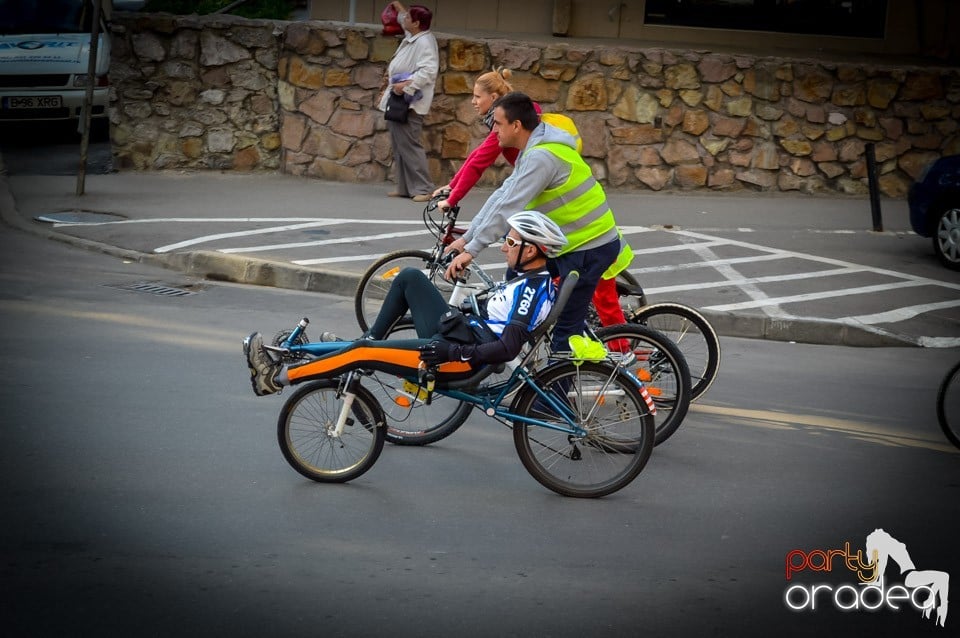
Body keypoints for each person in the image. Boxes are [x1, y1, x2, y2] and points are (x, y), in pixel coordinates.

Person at [243, 212, 567, 397]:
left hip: (457, 358)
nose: (503, 248)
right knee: (410, 277)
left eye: (511, 242)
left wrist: (452, 353)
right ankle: (369, 344)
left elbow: (507, 348)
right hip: (456, 333)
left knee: (358, 352)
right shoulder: (529, 275)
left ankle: (277, 377)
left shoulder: (530, 290)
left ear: (531, 251)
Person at [443, 91, 622, 352]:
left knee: (565, 331)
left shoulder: (542, 158)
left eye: (499, 123)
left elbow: (509, 207)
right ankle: (528, 347)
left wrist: (471, 251)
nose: (494, 130)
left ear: (516, 125)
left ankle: (553, 389)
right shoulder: (534, 150)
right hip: (575, 244)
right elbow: (502, 195)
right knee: (517, 269)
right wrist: (467, 237)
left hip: (589, 247)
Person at [433, 67, 541, 212]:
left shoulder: (506, 122)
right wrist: (452, 186)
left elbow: (478, 165)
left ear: (494, 97)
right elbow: (477, 154)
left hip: (536, 177)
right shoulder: (509, 113)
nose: (473, 101)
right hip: (533, 174)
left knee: (496, 215)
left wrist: (452, 200)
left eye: (477, 97)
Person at [378, 2, 437, 203]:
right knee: (399, 144)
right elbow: (403, 19)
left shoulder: (424, 42)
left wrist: (406, 86)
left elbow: (428, 71)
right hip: (400, 99)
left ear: (417, 23)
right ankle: (405, 187)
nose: (405, 20)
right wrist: (398, 5)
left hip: (410, 101)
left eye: (409, 18)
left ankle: (424, 188)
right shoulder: (415, 35)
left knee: (409, 145)